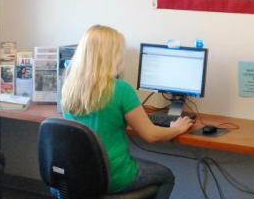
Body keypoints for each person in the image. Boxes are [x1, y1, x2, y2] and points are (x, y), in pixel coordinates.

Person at [61, 25, 194, 199]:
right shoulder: (121, 90)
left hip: (76, 174)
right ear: (111, 55)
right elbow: (150, 135)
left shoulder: (69, 87)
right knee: (166, 176)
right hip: (111, 176)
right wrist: (176, 128)